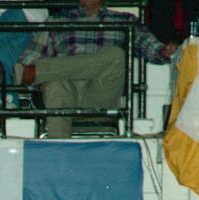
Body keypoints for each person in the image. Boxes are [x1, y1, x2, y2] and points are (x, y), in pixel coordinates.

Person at [15, 0, 174, 139]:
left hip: (101, 93)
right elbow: (24, 67)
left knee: (117, 55)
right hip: (66, 94)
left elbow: (153, 49)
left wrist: (165, 51)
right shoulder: (57, 20)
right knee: (55, 84)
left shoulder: (124, 20)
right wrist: (40, 84)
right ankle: (59, 153)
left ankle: (44, 71)